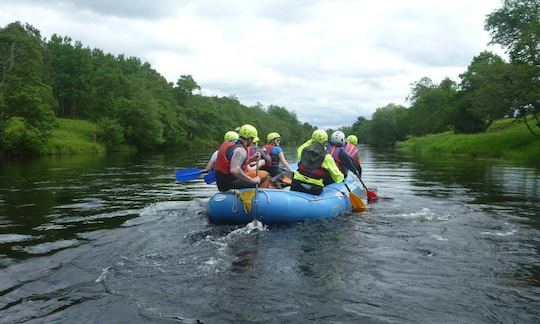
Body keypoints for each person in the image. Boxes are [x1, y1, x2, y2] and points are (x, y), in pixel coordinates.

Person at [215, 124, 270, 192]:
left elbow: (236, 161)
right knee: (264, 176)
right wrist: (252, 180)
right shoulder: (241, 150)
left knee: (258, 176)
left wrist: (253, 158)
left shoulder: (231, 143)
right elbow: (234, 170)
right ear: (249, 139)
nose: (252, 142)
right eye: (252, 139)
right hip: (228, 185)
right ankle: (261, 197)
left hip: (221, 183)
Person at [290, 129, 344, 195]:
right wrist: (342, 179)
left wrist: (312, 140)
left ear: (312, 138)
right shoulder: (327, 157)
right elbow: (337, 176)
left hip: (297, 184)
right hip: (314, 188)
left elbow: (303, 146)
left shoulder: (303, 150)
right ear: (325, 141)